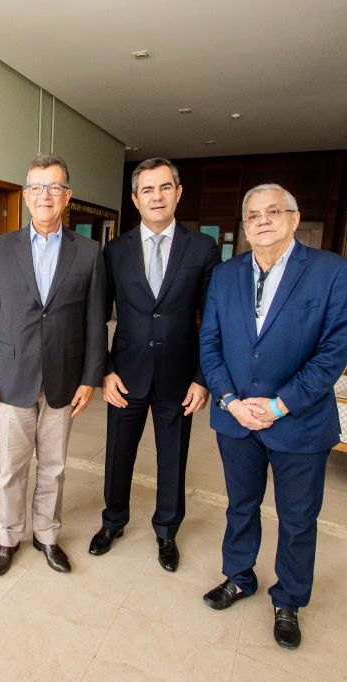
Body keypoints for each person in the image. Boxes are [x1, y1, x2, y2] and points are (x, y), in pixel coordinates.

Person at [198, 183, 347, 649]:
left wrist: (278, 405)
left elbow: (333, 353)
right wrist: (230, 400)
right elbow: (210, 343)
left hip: (300, 421)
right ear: (244, 225)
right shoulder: (225, 275)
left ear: (294, 217)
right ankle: (239, 576)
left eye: (273, 211)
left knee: (298, 518)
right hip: (236, 418)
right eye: (253, 215)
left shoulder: (332, 271)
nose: (262, 220)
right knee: (240, 506)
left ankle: (289, 599)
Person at [0, 152, 107, 576]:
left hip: (64, 378)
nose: (44, 195)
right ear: (27, 195)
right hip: (12, 376)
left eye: (54, 187)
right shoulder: (0, 247)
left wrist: (91, 378)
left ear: (67, 196)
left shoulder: (88, 252)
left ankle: (46, 535)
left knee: (54, 466)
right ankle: (9, 536)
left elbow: (96, 321)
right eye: (36, 187)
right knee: (11, 468)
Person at [90, 158, 219, 572]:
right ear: (135, 199)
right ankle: (113, 521)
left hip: (179, 378)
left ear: (178, 193)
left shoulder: (201, 248)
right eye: (148, 189)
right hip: (125, 374)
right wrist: (104, 370)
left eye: (165, 187)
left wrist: (202, 378)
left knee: (172, 459)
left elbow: (212, 319)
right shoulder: (115, 250)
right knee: (118, 455)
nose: (157, 196)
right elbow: (97, 316)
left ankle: (166, 530)